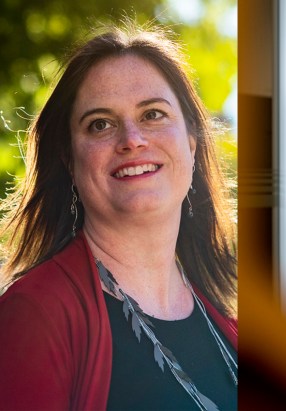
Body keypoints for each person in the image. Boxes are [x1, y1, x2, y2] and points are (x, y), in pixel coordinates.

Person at [0, 22, 238, 410]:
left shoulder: (228, 328)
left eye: (153, 114)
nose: (132, 139)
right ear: (70, 161)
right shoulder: (35, 316)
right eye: (100, 124)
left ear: (192, 143)